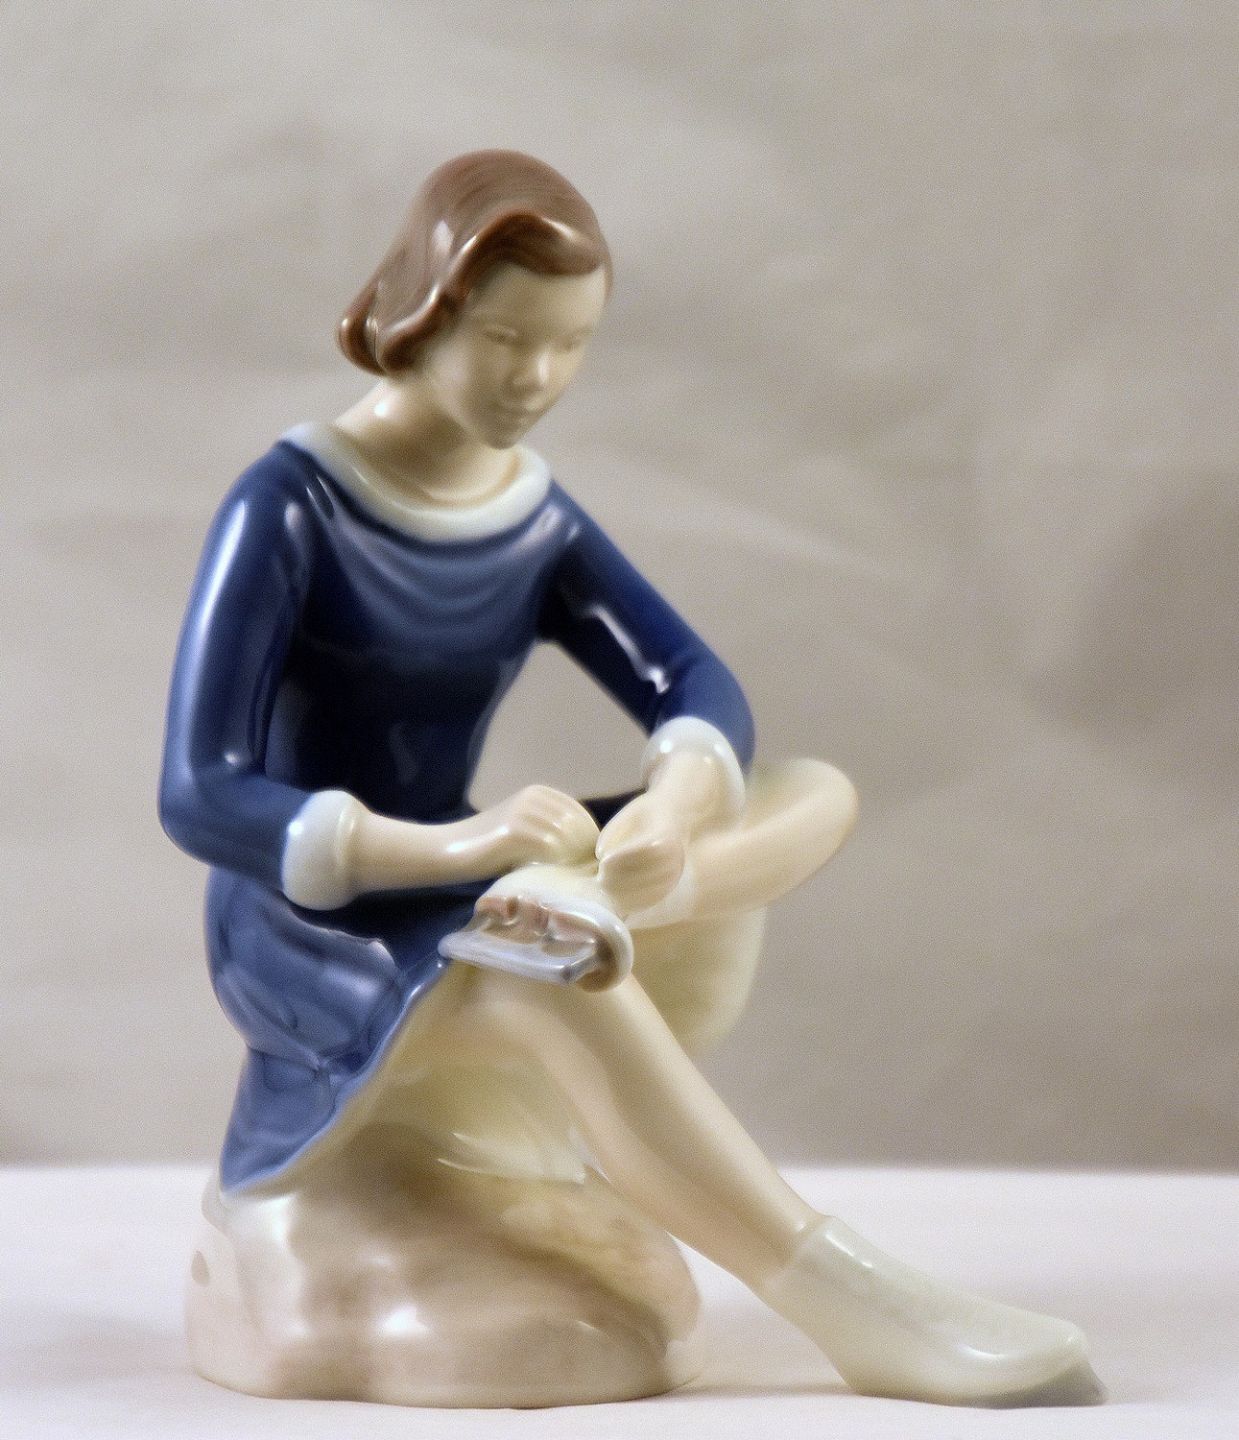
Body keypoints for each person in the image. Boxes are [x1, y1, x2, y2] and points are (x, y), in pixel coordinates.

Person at [159, 150, 1102, 1409]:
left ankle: (607, 900)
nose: (535, 379)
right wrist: (448, 851)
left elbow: (692, 681)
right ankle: (845, 1296)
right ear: (424, 310)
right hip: (316, 921)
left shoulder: (530, 516)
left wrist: (673, 807)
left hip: (487, 875)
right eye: (505, 338)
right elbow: (201, 791)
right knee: (554, 982)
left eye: (570, 346)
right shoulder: (291, 506)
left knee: (805, 790)